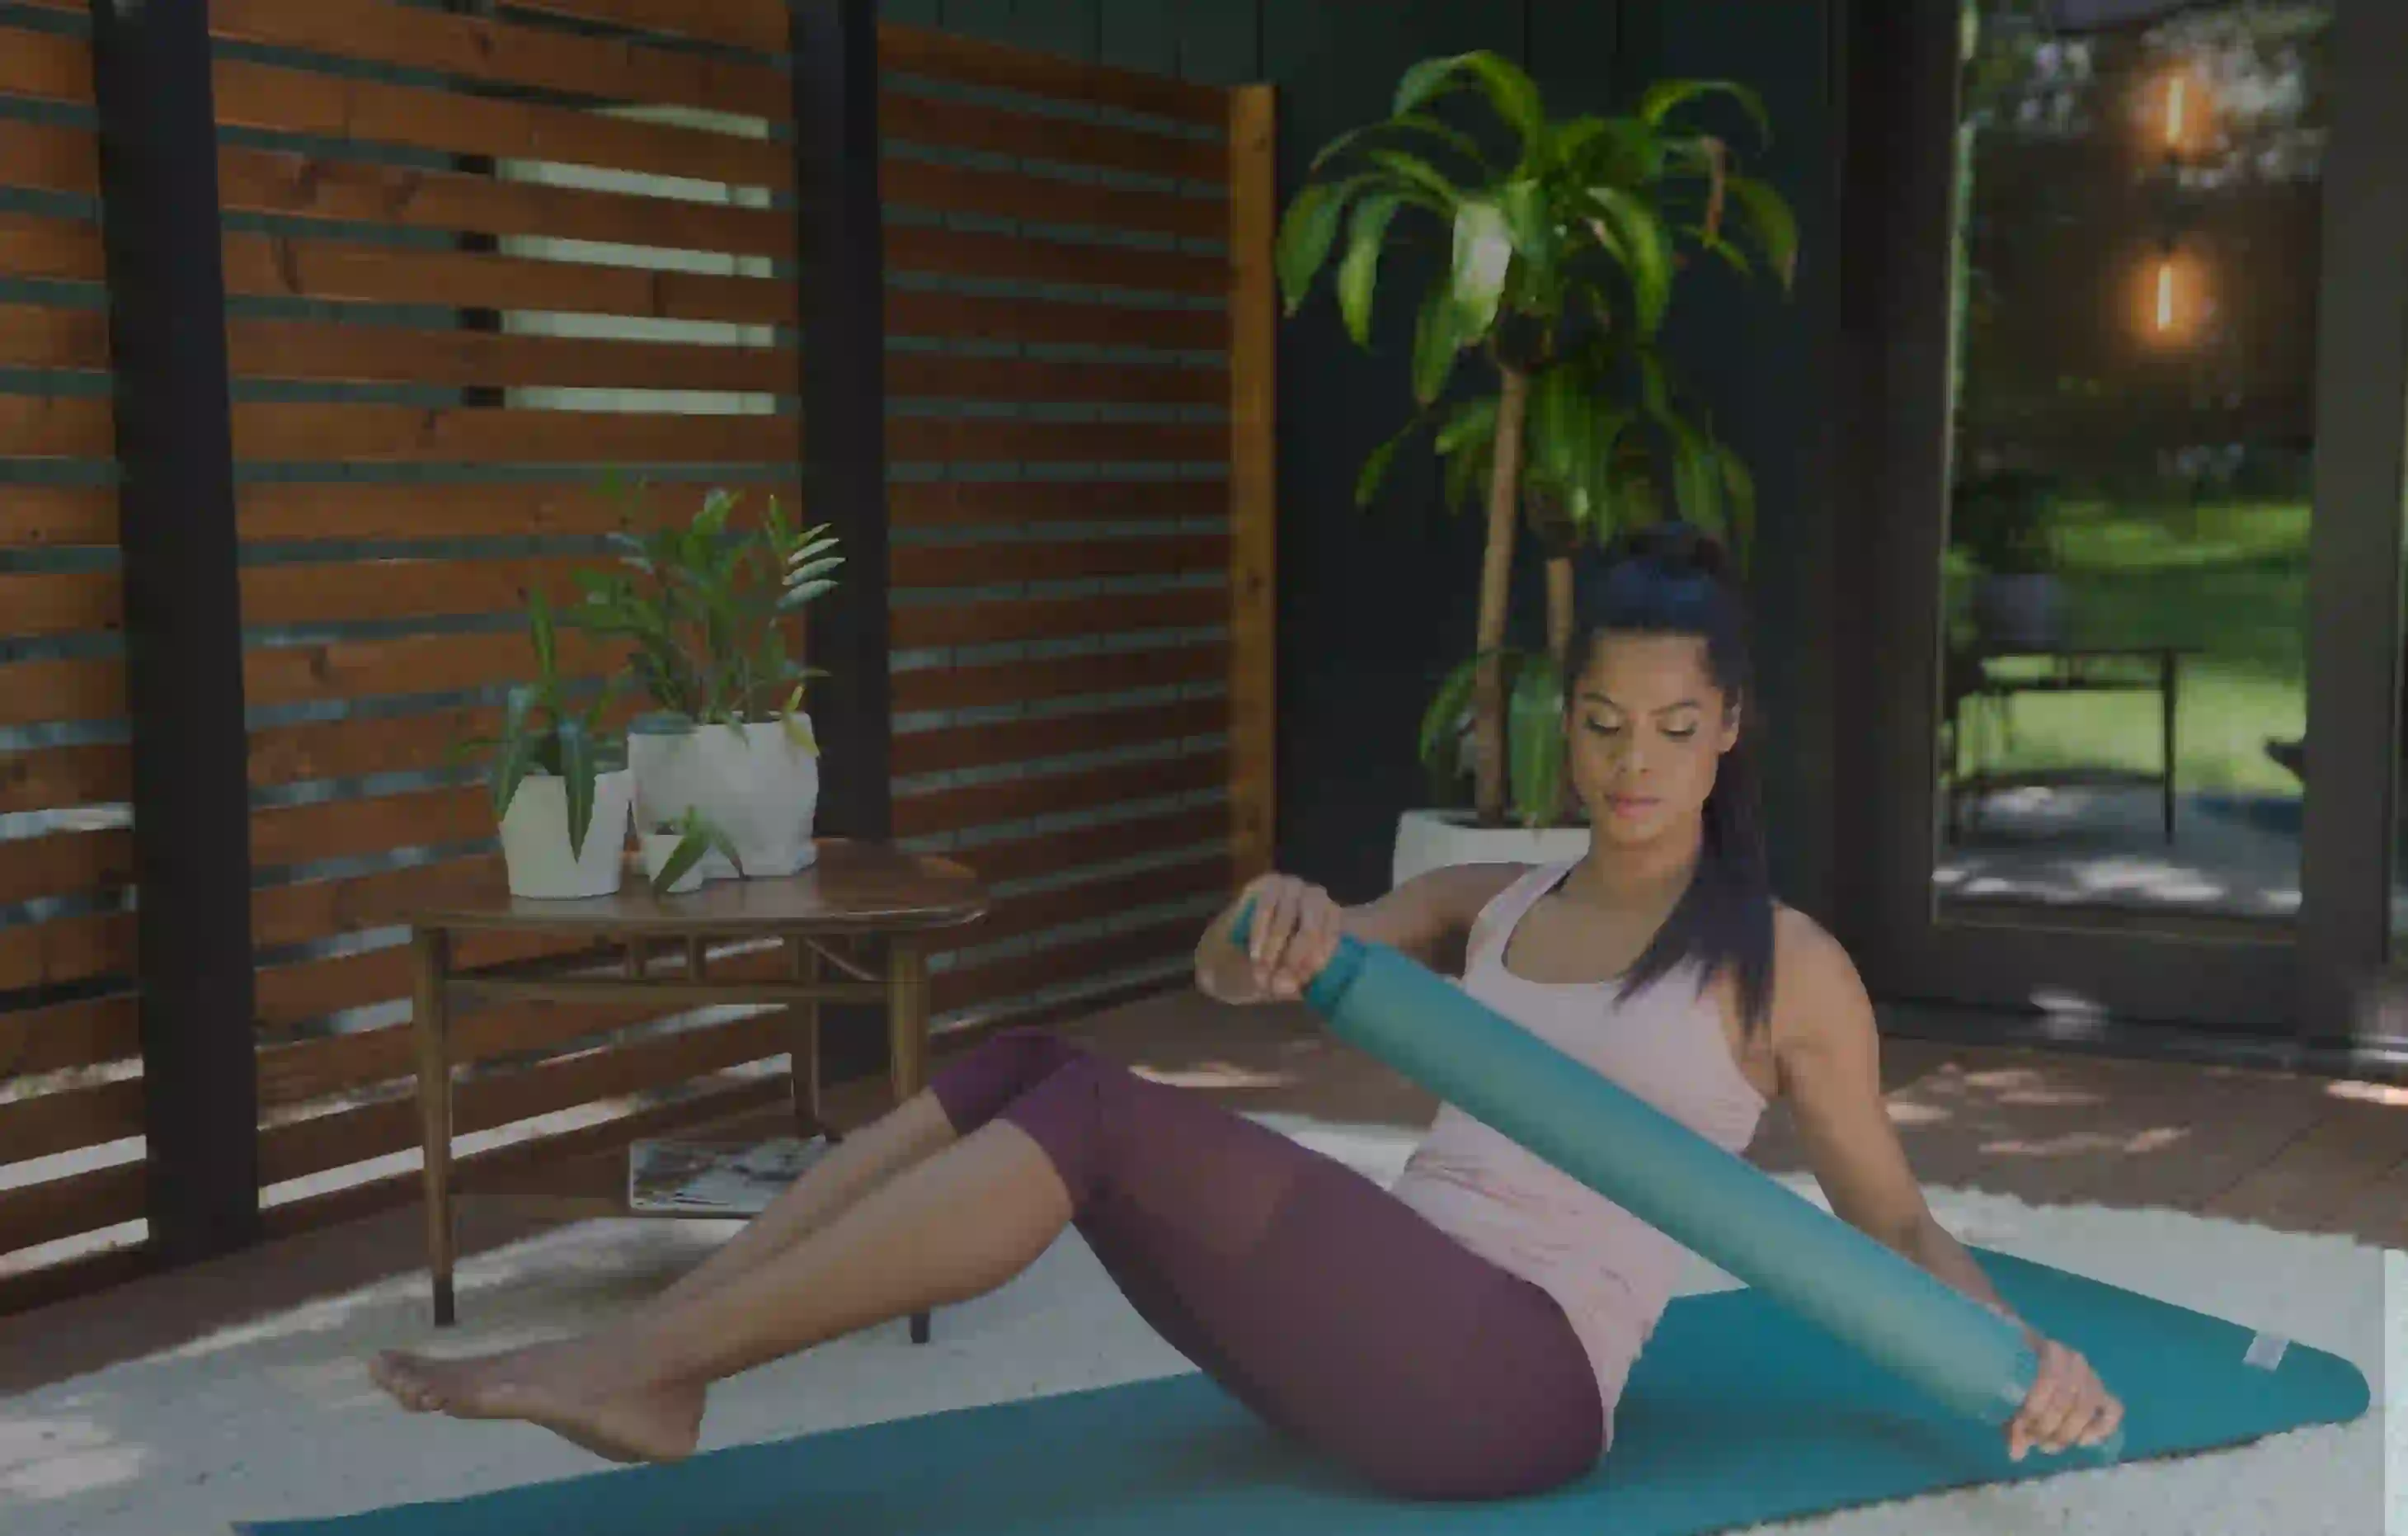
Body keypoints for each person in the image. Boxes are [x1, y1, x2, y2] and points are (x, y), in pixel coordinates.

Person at [368, 522, 2122, 1501]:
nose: (1630, 762)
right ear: (1560, 720)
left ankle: (648, 1366)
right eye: (1599, 721)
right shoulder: (1482, 897)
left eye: (1671, 726)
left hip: (1510, 1391)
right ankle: (667, 1341)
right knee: (1038, 1058)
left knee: (1104, 1116)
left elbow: (1882, 1216)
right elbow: (1244, 967)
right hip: (1374, 1317)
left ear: (1727, 726)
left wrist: (2012, 1360)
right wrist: (1270, 919)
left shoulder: (1780, 965)